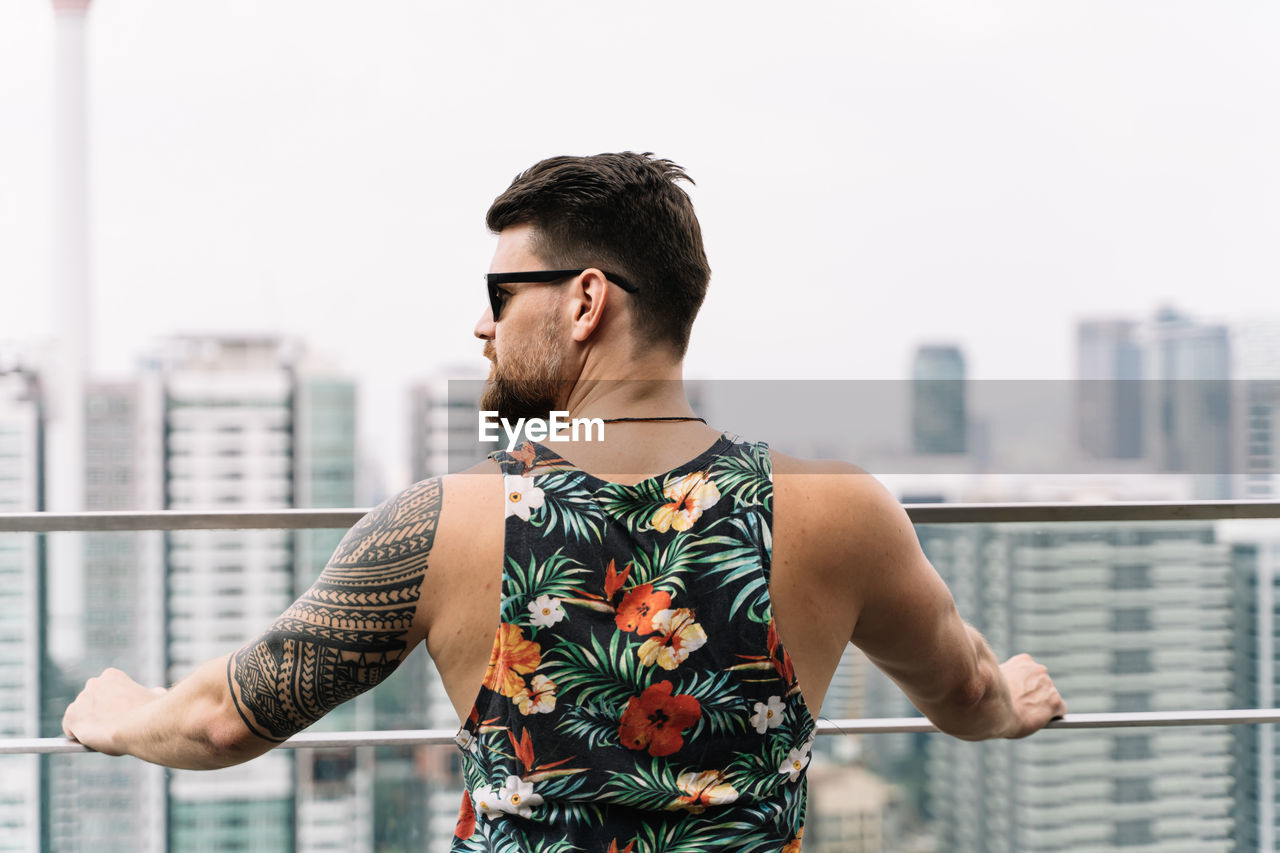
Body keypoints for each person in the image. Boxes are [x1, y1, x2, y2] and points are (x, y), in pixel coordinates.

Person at [63, 152, 1065, 851]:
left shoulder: (444, 522)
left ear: (585, 301)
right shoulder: (837, 509)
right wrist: (1011, 701)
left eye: (502, 296)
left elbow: (219, 726)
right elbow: (968, 695)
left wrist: (119, 713)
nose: (481, 326)